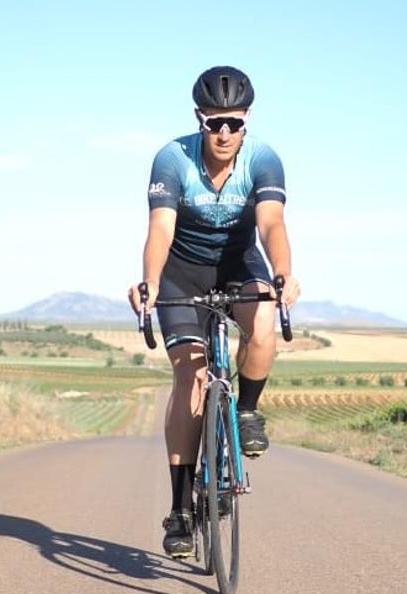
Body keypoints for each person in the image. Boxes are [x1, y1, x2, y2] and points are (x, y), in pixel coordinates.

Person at [127, 65, 301, 558]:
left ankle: (246, 412)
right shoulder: (172, 159)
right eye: (214, 123)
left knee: (263, 319)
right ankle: (181, 508)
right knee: (191, 377)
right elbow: (160, 229)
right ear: (199, 120)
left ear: (246, 122)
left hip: (238, 264)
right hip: (183, 273)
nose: (224, 133)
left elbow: (271, 224)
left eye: (234, 123)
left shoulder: (263, 160)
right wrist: (152, 282)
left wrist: (284, 274)